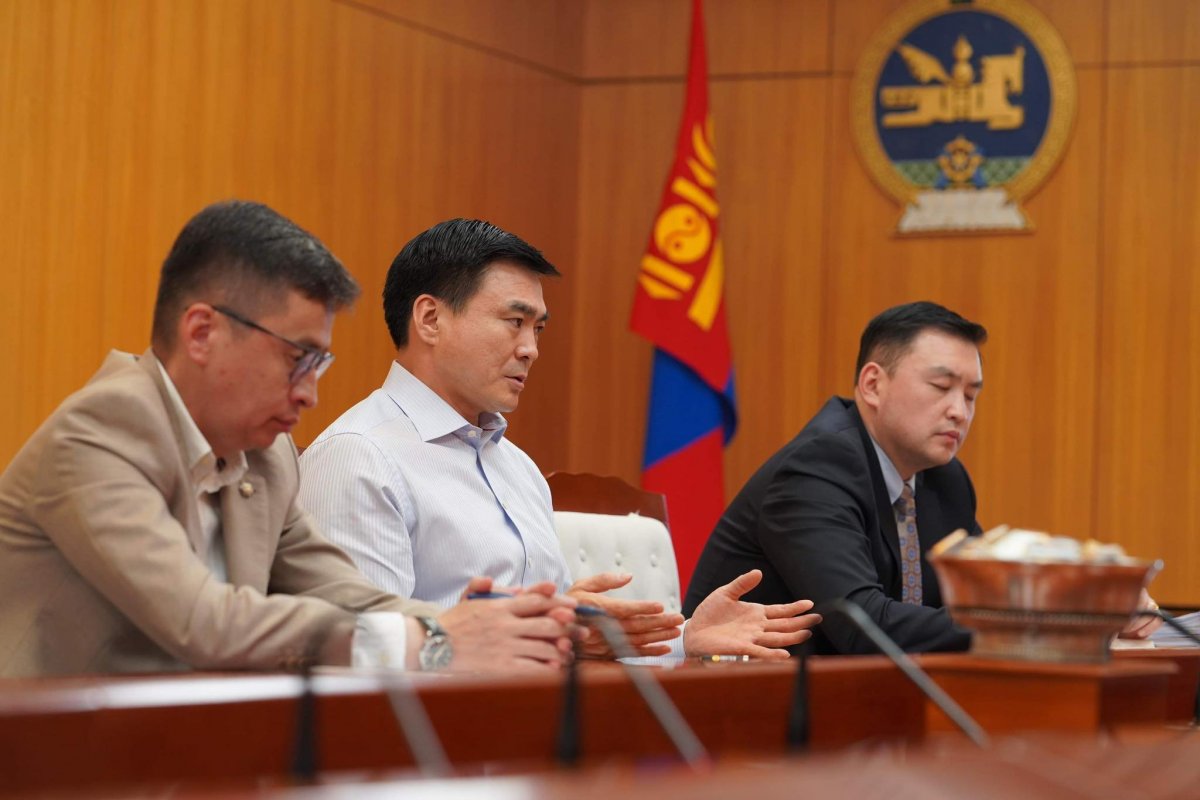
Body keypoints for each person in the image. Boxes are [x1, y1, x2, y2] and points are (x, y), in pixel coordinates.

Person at [0, 201, 575, 677]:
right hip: (55, 752)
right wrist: (433, 642)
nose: (310, 395)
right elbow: (204, 622)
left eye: (318, 363)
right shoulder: (100, 432)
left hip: (189, 747)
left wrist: (473, 628)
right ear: (202, 333)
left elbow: (340, 590)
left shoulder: (265, 454)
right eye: (297, 358)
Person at [299, 218, 820, 660]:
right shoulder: (359, 457)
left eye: (538, 329)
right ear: (430, 319)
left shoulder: (518, 468)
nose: (531, 349)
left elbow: (560, 645)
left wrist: (683, 640)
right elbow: (363, 656)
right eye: (514, 321)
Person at [683, 301, 1160, 654]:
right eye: (941, 387)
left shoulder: (944, 479)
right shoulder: (816, 468)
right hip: (758, 712)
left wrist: (1093, 600)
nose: (959, 412)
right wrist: (1060, 621)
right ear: (873, 384)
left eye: (971, 395)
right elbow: (862, 626)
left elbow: (982, 598)